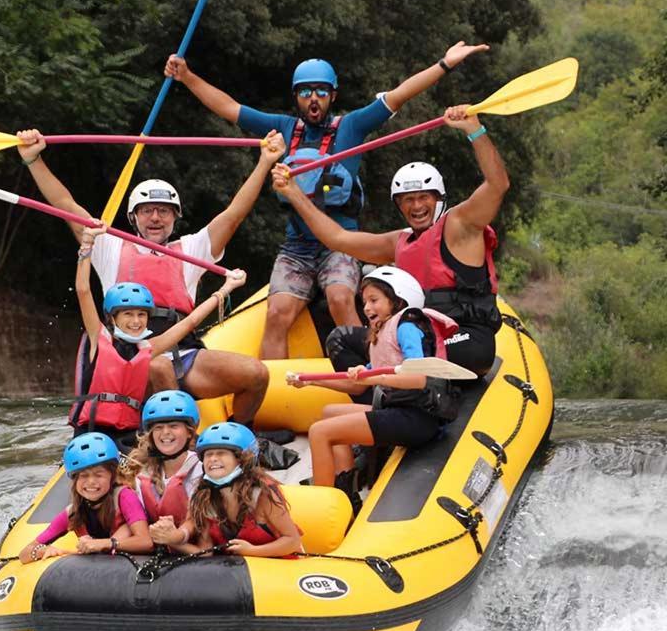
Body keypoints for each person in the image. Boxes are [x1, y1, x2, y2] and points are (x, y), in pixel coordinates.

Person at [165, 42, 489, 359]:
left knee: (339, 297)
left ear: (332, 95)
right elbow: (228, 107)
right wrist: (187, 76)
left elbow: (400, 94)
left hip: (341, 244)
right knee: (277, 313)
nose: (314, 99)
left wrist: (444, 64)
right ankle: (267, 389)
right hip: (297, 246)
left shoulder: (351, 127)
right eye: (306, 93)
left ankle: (368, 370)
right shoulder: (282, 128)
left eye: (321, 91)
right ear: (297, 98)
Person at [17, 128, 287, 424]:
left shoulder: (192, 249)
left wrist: (264, 162)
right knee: (159, 367)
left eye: (163, 211)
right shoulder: (109, 245)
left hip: (183, 351)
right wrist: (34, 161)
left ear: (175, 217)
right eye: (146, 211)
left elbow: (234, 214)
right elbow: (65, 205)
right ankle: (176, 447)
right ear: (133, 218)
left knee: (256, 374)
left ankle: (233, 443)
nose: (155, 218)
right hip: (128, 357)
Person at [272, 103, 510, 376]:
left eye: (423, 197)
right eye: (408, 200)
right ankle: (378, 401)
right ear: (399, 205)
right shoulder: (399, 242)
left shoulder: (460, 225)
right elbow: (337, 238)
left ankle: (417, 395)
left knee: (409, 342)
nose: (416, 206)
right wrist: (293, 193)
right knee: (341, 339)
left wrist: (474, 129)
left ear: (439, 199)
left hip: (466, 339)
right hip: (418, 336)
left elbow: (498, 184)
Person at [288, 267, 460, 515]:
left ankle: (322, 510)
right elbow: (357, 383)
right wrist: (311, 382)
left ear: (397, 300)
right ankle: (346, 495)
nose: (367, 308)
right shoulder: (381, 334)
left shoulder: (406, 326)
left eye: (374, 300)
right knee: (329, 412)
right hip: (397, 410)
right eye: (365, 302)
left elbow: (419, 378)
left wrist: (372, 376)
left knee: (319, 432)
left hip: (417, 418)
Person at [71, 223, 246, 450]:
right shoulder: (99, 337)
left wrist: (226, 289)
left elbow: (191, 321)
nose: (136, 321)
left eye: (141, 315)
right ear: (112, 318)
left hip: (130, 435)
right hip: (93, 432)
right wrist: (87, 245)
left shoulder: (148, 347)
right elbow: (83, 290)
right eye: (128, 314)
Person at [149, 422, 302, 558]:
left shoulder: (262, 493)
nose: (213, 459)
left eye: (221, 453)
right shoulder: (203, 496)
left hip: (278, 568)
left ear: (243, 459)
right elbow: (205, 550)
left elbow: (292, 541)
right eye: (208, 454)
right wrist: (171, 539)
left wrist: (252, 551)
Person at [19, 432, 153, 563]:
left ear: (112, 476)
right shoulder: (72, 513)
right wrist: (41, 551)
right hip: (95, 571)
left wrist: (103, 543)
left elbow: (146, 542)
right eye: (83, 476)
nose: (91, 482)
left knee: (126, 529)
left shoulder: (124, 497)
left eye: (98, 475)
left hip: (127, 565)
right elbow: (24, 554)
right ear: (75, 480)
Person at [117, 389, 203, 529]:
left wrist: (177, 538)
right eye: (158, 427)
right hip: (154, 542)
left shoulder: (203, 470)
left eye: (174, 426)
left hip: (189, 543)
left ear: (189, 432)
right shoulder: (141, 472)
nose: (165, 433)